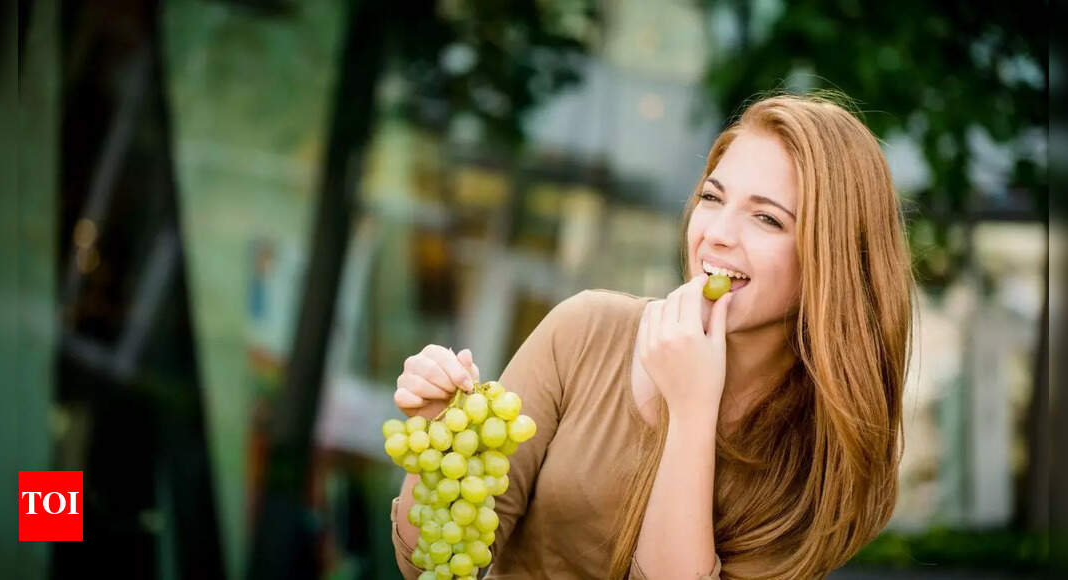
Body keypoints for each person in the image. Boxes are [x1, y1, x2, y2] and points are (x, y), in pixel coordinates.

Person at [389, 92, 917, 579]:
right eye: (713, 198)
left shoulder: (825, 454)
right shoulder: (585, 332)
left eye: (766, 218)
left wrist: (691, 412)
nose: (717, 235)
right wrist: (441, 438)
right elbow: (434, 565)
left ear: (833, 259)